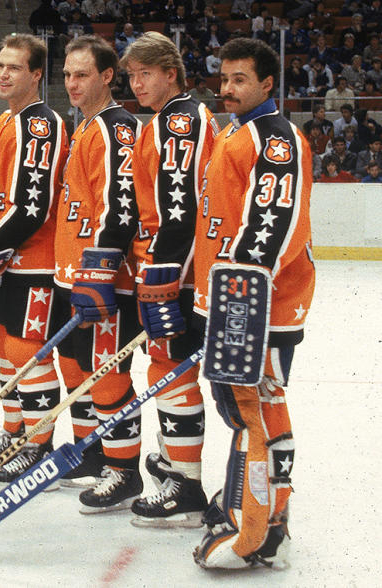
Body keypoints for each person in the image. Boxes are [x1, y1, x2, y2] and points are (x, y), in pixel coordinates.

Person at [192, 37, 313, 570]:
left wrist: (235, 299)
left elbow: (272, 225)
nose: (228, 88)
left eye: (240, 79)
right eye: (224, 79)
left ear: (268, 84)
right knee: (252, 407)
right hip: (232, 301)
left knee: (253, 410)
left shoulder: (277, 138)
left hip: (255, 305)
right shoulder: (236, 132)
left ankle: (250, 532)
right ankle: (270, 514)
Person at [0, 34, 68, 487]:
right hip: (10, 261)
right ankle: (15, 432)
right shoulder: (7, 122)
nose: (3, 74)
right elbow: (0, 195)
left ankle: (38, 446)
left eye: (15, 68)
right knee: (6, 343)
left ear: (36, 74)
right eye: (1, 66)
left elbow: (33, 205)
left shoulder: (41, 124)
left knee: (30, 351)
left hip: (37, 262)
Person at [123, 32, 219, 527]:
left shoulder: (178, 121)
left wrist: (162, 274)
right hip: (172, 267)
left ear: (171, 72)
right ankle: (177, 460)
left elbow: (180, 211)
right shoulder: (168, 119)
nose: (137, 83)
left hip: (175, 272)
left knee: (172, 370)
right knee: (167, 369)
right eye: (133, 75)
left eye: (146, 73)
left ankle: (186, 485)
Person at [54, 34, 144, 512]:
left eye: (81, 74)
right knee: (76, 367)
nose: (71, 82)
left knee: (107, 377)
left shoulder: (116, 128)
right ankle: (91, 454)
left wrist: (101, 271)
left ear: (107, 77)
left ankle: (124, 471)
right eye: (67, 74)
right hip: (73, 274)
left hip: (104, 281)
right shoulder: (86, 125)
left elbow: (120, 207)